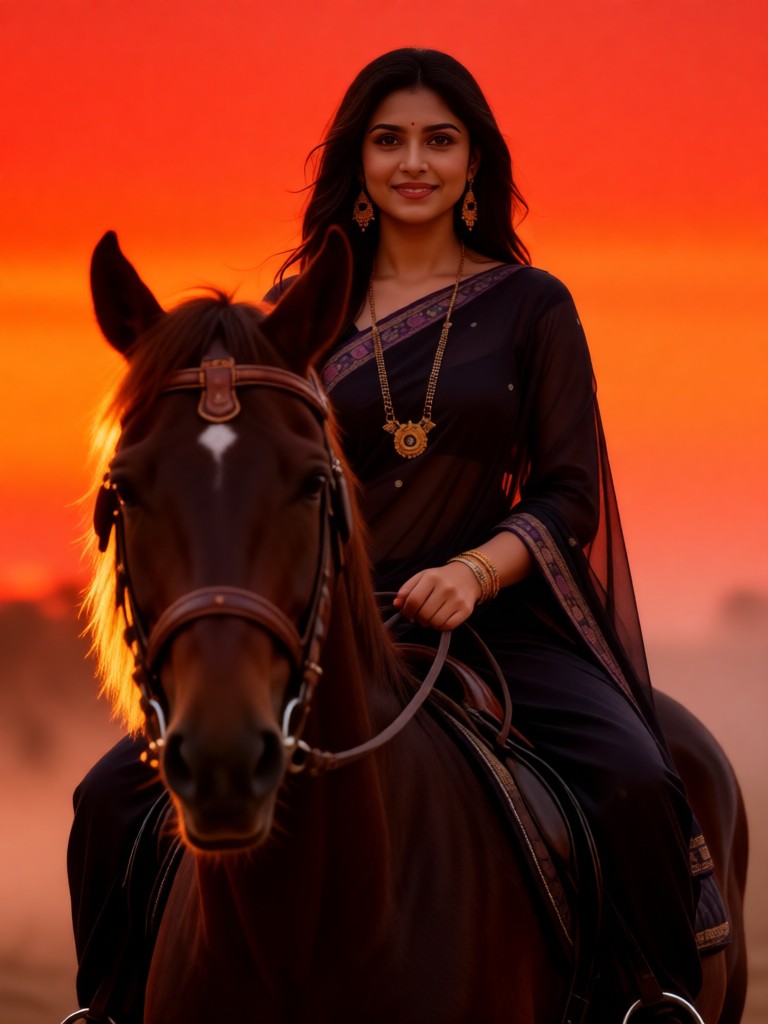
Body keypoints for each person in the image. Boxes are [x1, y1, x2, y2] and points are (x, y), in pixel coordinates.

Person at [68, 46, 724, 1024]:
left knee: (635, 782)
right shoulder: (300, 316)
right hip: (334, 620)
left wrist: (472, 570)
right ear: (358, 164)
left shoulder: (533, 309)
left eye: (438, 140)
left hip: (503, 620)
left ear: (474, 166)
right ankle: (107, 1007)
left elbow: (568, 491)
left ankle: (658, 1003)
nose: (413, 161)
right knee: (107, 803)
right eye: (389, 141)